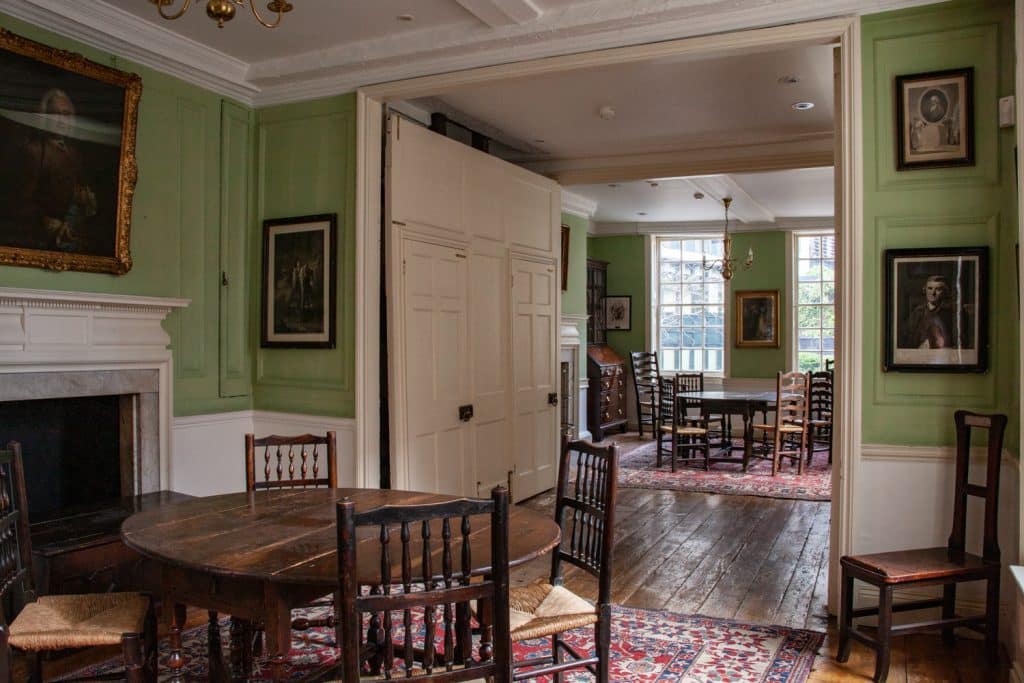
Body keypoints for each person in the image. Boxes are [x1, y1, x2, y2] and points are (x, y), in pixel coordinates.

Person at [12, 88, 96, 252]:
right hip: (45, 242)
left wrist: (87, 198)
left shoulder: (75, 153)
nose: (61, 120)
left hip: (76, 236)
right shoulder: (34, 151)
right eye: (55, 114)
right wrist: (48, 223)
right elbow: (20, 204)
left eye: (66, 114)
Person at [900, 274, 959, 349]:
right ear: (925, 290)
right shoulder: (918, 312)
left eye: (938, 289)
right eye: (930, 288)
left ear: (945, 292)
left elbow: (957, 341)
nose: (933, 293)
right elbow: (906, 339)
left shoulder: (951, 313)